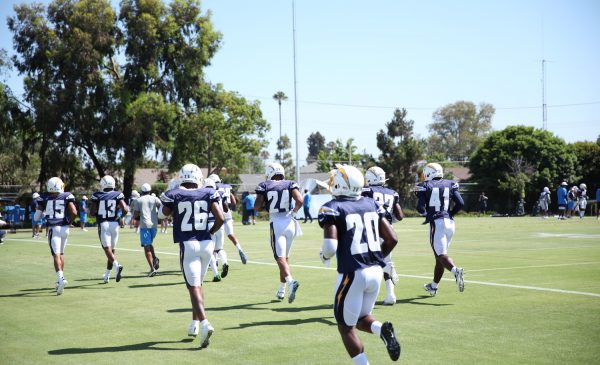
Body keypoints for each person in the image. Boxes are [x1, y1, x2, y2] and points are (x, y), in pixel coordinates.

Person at [318, 164, 401, 364]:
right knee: (362, 317)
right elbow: (392, 239)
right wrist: (376, 259)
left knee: (345, 327)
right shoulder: (371, 204)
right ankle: (382, 329)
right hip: (375, 272)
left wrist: (324, 255)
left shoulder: (333, 207)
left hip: (352, 272)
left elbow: (330, 247)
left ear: (340, 184)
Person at [159, 163, 224, 348]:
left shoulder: (174, 194)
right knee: (198, 285)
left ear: (181, 177)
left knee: (193, 286)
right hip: (207, 244)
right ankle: (195, 323)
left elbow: (162, 215)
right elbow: (220, 218)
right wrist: (210, 233)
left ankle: (204, 323)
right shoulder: (208, 192)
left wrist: (171, 202)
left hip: (188, 244)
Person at [254, 162, 303, 303]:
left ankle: (291, 282)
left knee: (279, 258)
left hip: (277, 223)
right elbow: (300, 200)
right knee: (285, 259)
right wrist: (293, 212)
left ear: (269, 173)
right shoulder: (290, 183)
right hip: (290, 222)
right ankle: (281, 290)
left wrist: (267, 207)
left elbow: (256, 207)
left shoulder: (265, 185)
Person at [415, 162, 465, 297]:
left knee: (441, 255)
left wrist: (427, 215)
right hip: (450, 223)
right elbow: (461, 203)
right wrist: (451, 213)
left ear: (429, 173)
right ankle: (433, 286)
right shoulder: (450, 183)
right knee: (440, 257)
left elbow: (420, 208)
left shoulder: (424, 186)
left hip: (437, 223)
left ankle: (456, 271)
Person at [361, 166, 404, 306]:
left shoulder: (367, 191)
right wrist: (389, 221)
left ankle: (365, 297)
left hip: (372, 228)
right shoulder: (393, 193)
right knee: (384, 259)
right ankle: (391, 294)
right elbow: (400, 216)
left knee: (368, 262)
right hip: (388, 230)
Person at [34, 177, 77, 295]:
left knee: (56, 255)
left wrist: (43, 212)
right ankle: (60, 280)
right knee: (61, 253)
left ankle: (61, 279)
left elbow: (36, 218)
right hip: (65, 228)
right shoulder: (66, 196)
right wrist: (69, 222)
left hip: (54, 228)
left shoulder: (43, 198)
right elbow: (74, 212)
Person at [90, 175, 129, 284]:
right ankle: (107, 275)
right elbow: (125, 209)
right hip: (114, 224)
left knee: (107, 249)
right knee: (112, 251)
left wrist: (98, 211)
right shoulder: (117, 195)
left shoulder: (97, 195)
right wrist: (120, 216)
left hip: (104, 224)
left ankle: (117, 265)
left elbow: (92, 213)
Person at [209, 174, 248, 264]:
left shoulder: (213, 187)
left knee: (214, 236)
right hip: (227, 213)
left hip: (217, 213)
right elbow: (234, 202)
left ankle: (215, 260)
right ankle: (240, 249)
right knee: (230, 234)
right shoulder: (227, 187)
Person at [204, 178, 230, 282]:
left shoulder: (203, 193)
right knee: (219, 249)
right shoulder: (220, 193)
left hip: (209, 223)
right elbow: (226, 208)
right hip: (220, 223)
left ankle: (216, 274)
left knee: (209, 251)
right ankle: (225, 263)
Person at [133, 183, 162, 276]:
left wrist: (137, 216)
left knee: (146, 247)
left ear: (141, 191)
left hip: (144, 225)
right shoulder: (155, 198)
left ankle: (152, 269)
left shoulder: (138, 200)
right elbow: (161, 208)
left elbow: (136, 214)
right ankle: (154, 258)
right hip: (154, 225)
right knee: (149, 244)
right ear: (150, 191)